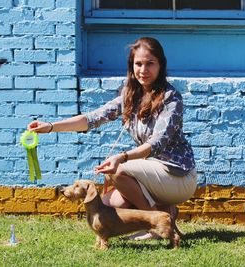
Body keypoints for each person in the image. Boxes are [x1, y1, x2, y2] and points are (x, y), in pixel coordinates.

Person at [27, 37, 197, 239]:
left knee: (118, 170)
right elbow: (92, 119)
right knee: (109, 204)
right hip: (152, 175)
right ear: (131, 66)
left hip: (177, 176)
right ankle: (166, 212)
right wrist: (50, 127)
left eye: (150, 63)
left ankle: (153, 224)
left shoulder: (171, 97)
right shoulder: (129, 95)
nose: (143, 70)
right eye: (138, 64)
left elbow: (156, 143)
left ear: (161, 65)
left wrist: (123, 158)